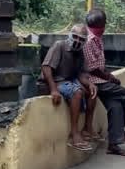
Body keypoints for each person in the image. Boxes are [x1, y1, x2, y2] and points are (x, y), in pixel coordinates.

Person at [38, 23, 99, 151]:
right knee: (76, 92)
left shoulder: (80, 52)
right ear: (70, 35)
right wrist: (53, 89)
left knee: (92, 91)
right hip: (55, 80)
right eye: (75, 37)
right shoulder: (59, 46)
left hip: (68, 80)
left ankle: (87, 128)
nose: (78, 41)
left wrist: (90, 84)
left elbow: (81, 74)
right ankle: (74, 134)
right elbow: (46, 67)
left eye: (81, 39)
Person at [83, 9, 125, 156]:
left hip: (100, 78)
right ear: (100, 25)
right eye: (103, 25)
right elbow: (92, 68)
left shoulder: (97, 36)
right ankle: (120, 131)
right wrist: (110, 78)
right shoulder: (88, 40)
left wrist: (108, 75)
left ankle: (114, 144)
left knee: (115, 106)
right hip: (93, 81)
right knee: (124, 93)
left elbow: (99, 64)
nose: (104, 28)